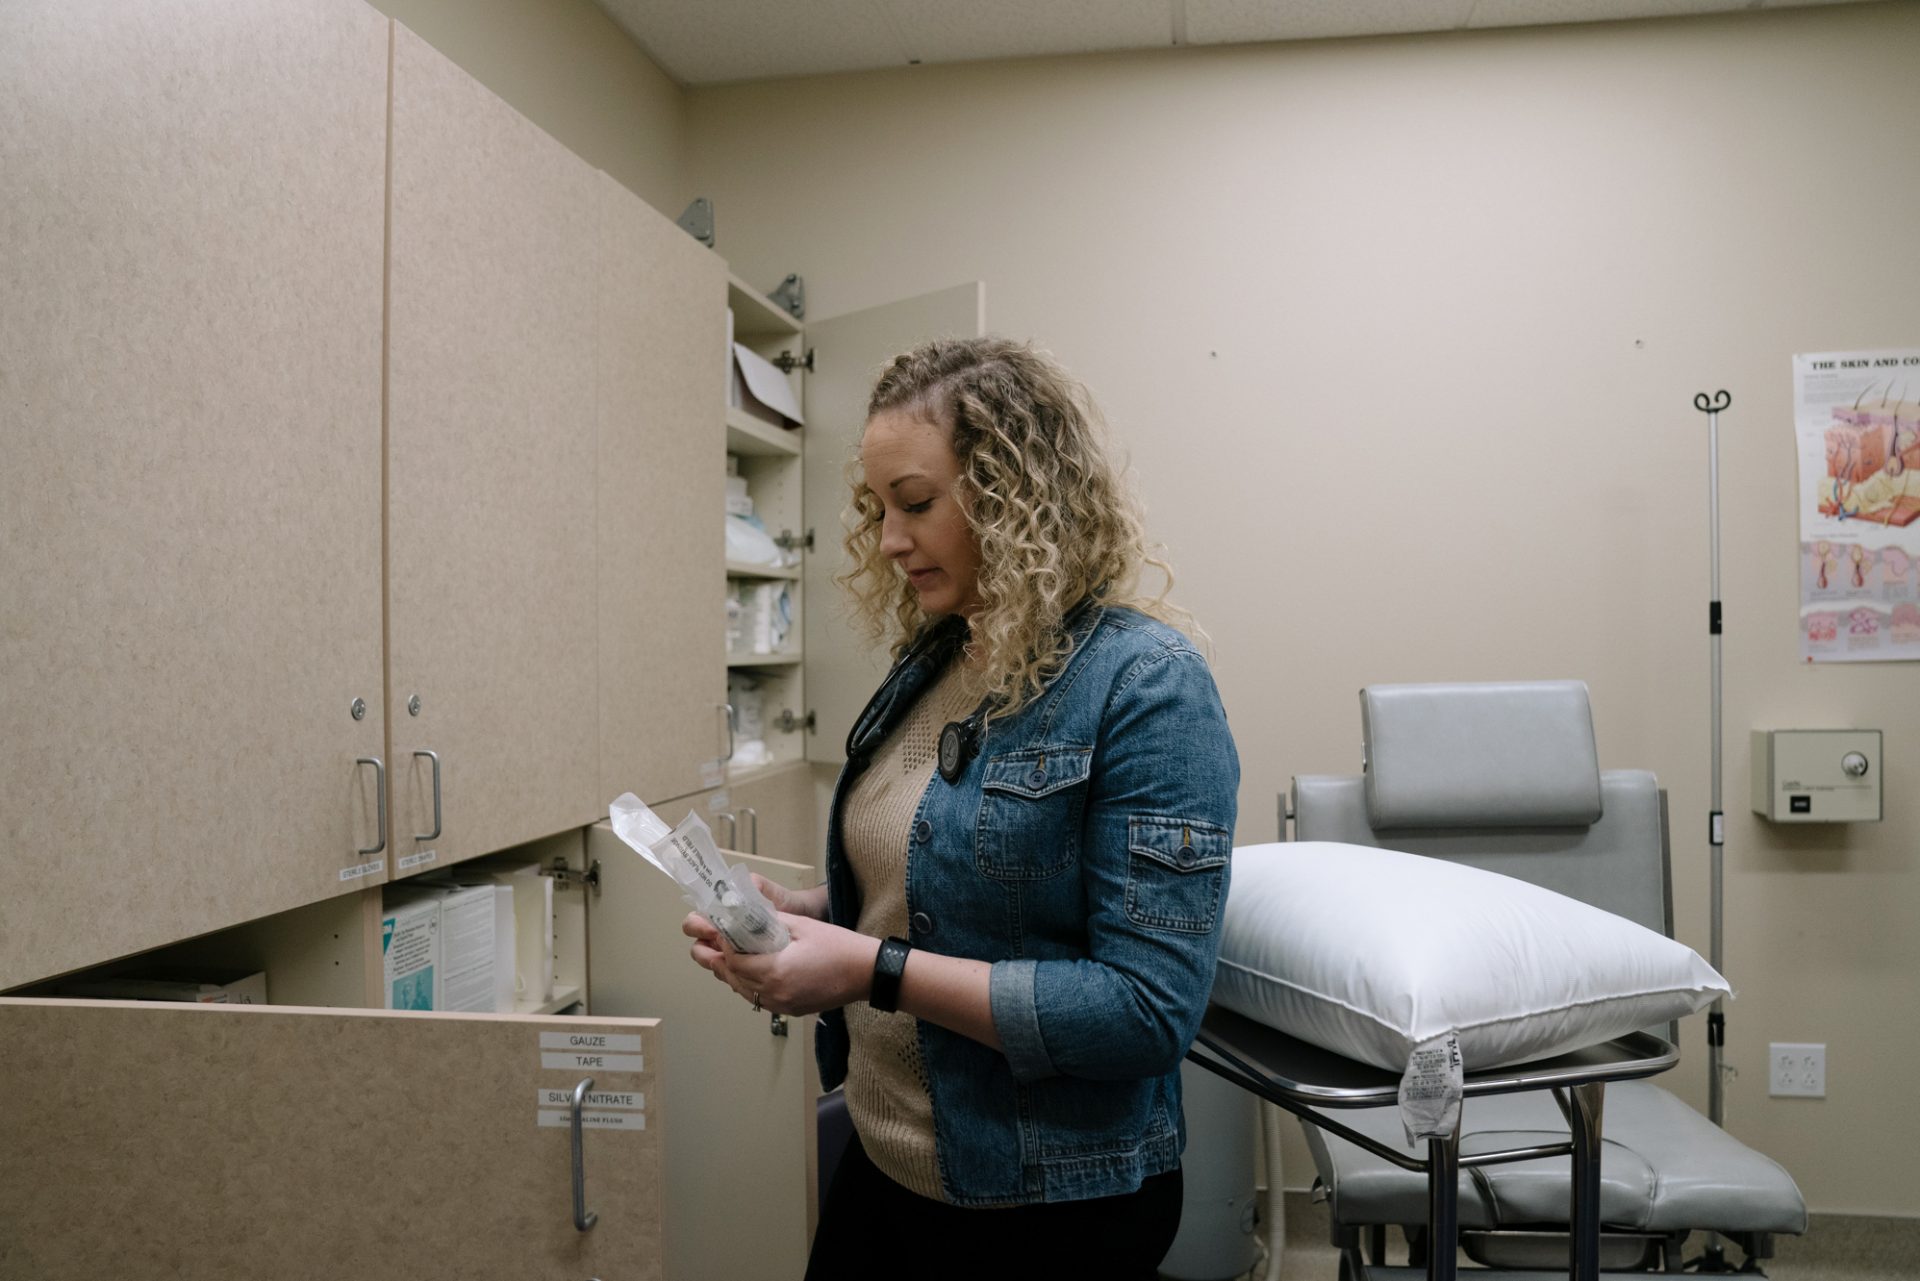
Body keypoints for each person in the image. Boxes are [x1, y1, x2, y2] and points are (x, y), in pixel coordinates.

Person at [685, 337, 1239, 1280]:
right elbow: (930, 880)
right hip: (890, 1155)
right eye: (878, 510)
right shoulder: (935, 663)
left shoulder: (1147, 685)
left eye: (915, 503)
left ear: (1017, 493)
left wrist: (872, 968)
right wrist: (811, 916)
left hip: (1049, 1200)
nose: (891, 540)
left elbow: (1145, 1011)